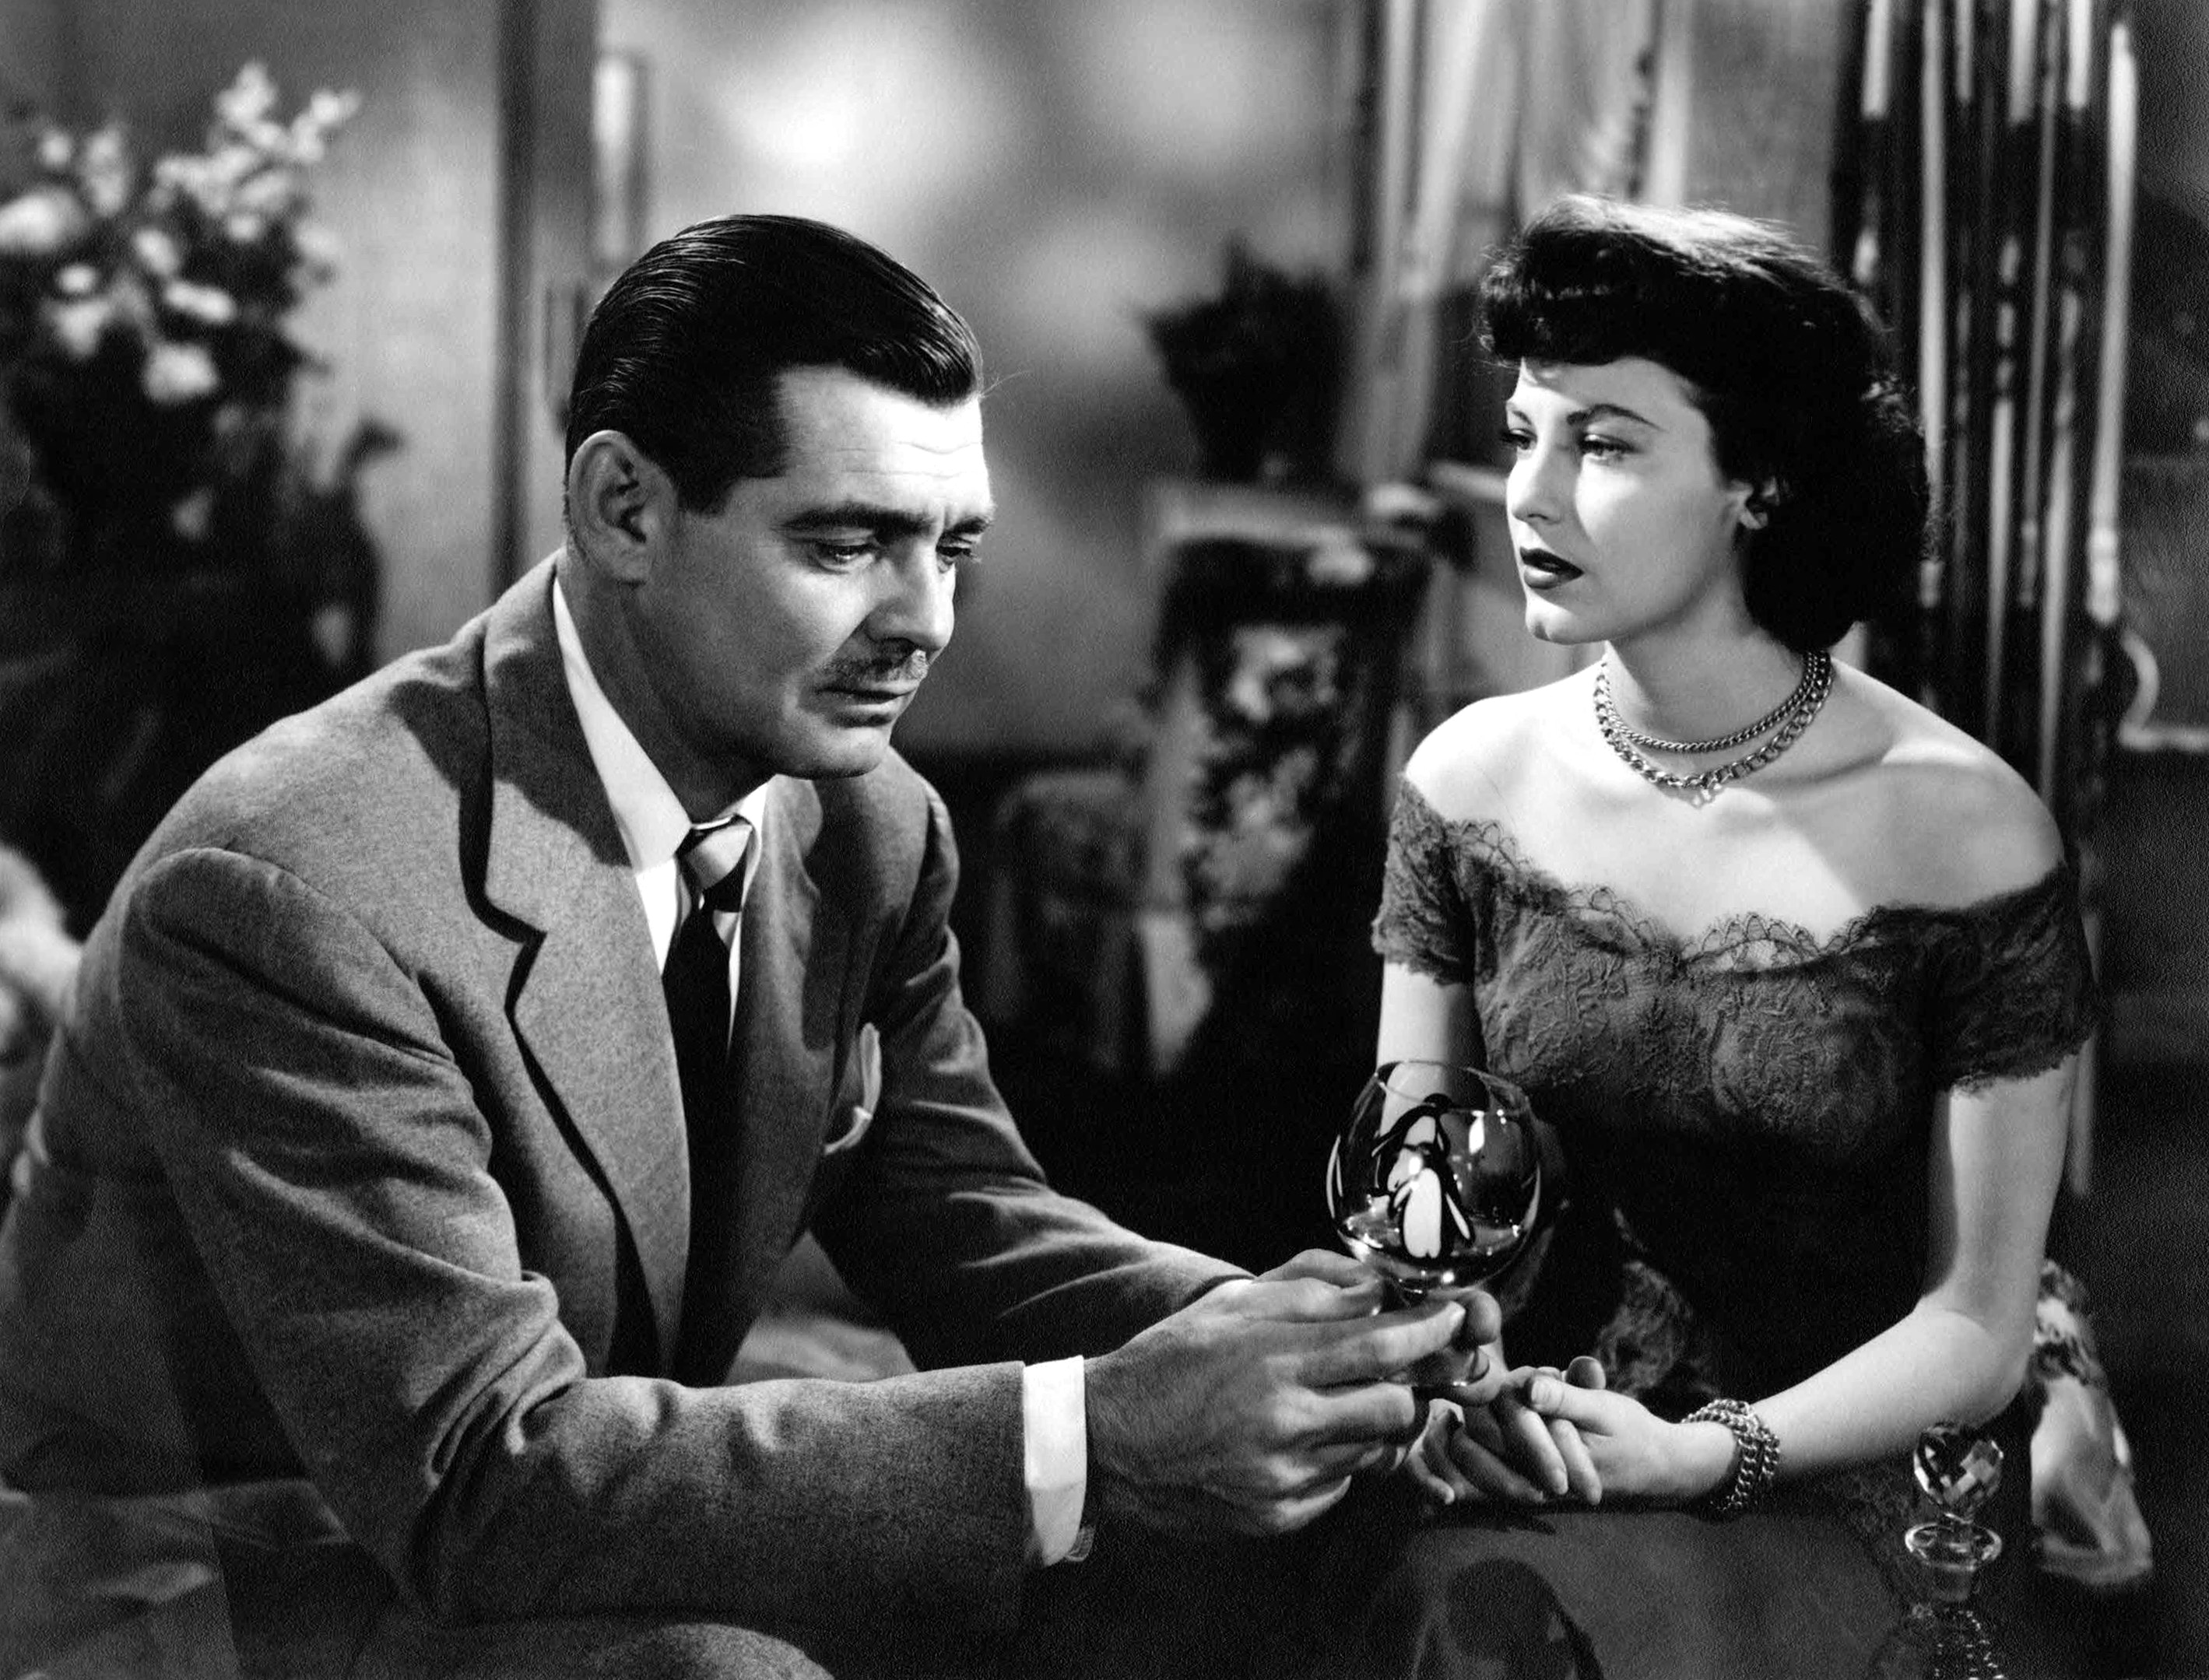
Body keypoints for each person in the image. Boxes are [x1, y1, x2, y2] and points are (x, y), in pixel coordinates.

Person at [0, 214, 1498, 1679]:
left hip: (569, 1497)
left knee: (1289, 1542)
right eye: (847, 545)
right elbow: (479, 1483)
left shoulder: (866, 823)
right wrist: (1098, 1432)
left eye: (953, 548)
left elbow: (958, 1209)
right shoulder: (296, 891)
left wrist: (1302, 1348)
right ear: (625, 512)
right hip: (231, 1567)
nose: (926, 621)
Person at [1347, 195, 2098, 1676]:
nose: (1531, 495)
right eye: (1522, 434)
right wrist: (1450, 1357)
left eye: (1606, 445)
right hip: (1566, 1420)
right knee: (1401, 1592)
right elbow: (1418, 1198)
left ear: (1758, 483)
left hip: (1862, 1460)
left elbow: (1975, 1325)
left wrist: (1706, 1455)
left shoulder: (1965, 831)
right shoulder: (1468, 782)